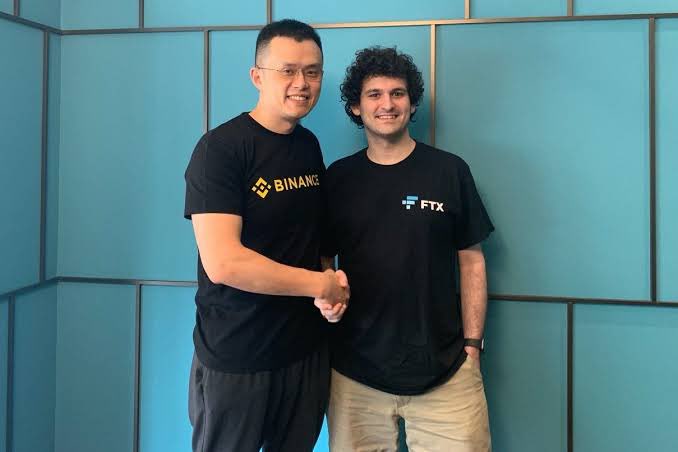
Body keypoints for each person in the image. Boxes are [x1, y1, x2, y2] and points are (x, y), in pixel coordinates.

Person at [183, 19, 348, 452]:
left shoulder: (308, 146)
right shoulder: (220, 149)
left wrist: (329, 295)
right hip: (238, 357)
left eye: (312, 72)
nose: (302, 83)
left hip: (304, 353)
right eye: (287, 70)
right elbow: (224, 263)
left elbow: (315, 241)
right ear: (257, 76)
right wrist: (319, 284)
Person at [317, 46, 494, 451]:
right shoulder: (339, 179)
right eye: (374, 94)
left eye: (397, 93)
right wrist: (327, 295)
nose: (387, 104)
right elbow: (323, 260)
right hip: (355, 377)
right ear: (356, 107)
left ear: (412, 104)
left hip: (447, 373)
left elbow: (471, 262)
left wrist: (472, 347)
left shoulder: (449, 171)